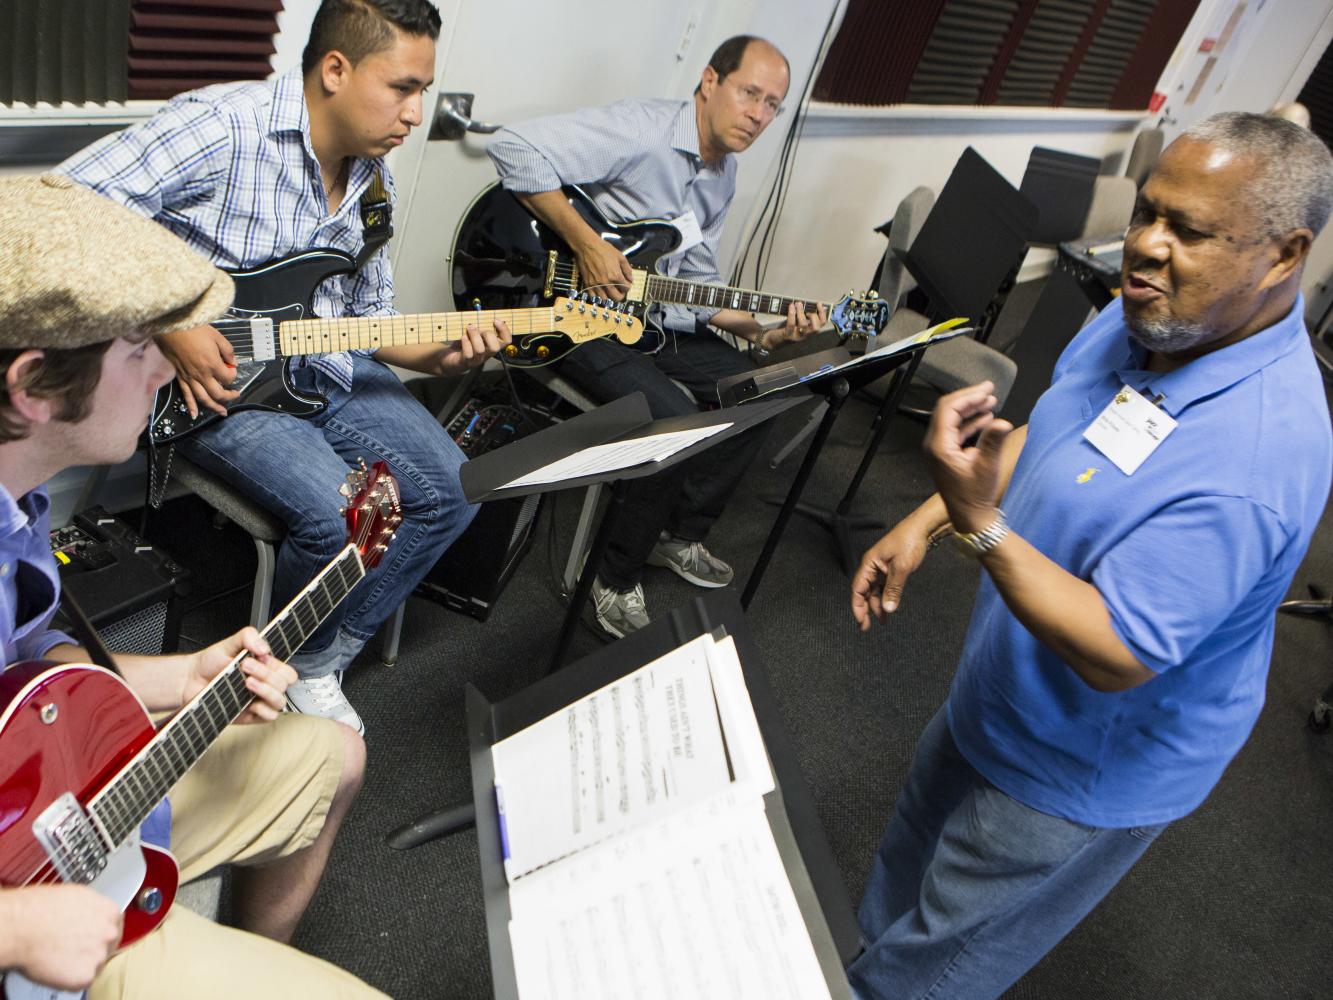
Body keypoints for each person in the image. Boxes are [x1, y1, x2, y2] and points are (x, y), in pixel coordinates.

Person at [846, 111, 1333, 1000]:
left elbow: (1116, 651)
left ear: (1282, 253)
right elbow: (1060, 429)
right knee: (901, 875)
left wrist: (978, 525)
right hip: (1002, 683)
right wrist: (925, 520)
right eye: (1147, 211)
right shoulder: (1147, 317)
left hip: (1077, 764)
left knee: (936, 961)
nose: (1142, 247)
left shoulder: (1256, 458)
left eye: (1186, 231)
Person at [57, 0, 511, 735]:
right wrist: (176, 320)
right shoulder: (223, 127)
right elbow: (69, 206)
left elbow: (365, 325)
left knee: (456, 491)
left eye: (423, 90)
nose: (416, 112)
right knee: (341, 519)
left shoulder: (374, 183)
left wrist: (439, 351)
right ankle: (286, 668)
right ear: (335, 69)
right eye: (402, 87)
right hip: (218, 390)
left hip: (322, 370)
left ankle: (316, 658)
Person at [0, 174, 380, 998]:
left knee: (332, 754)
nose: (165, 376)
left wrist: (187, 676)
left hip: (59, 823)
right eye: (140, 350)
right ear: (32, 386)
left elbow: (28, 673)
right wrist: (18, 927)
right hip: (23, 923)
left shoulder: (15, 506)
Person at [487, 35, 826, 638]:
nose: (759, 114)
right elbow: (512, 147)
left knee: (759, 389)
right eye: (750, 93)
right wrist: (588, 245)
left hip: (653, 319)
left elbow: (696, 283)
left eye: (773, 104)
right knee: (671, 419)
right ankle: (611, 580)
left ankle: (678, 535)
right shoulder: (642, 133)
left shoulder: (724, 175)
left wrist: (765, 332)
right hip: (576, 314)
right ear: (709, 80)